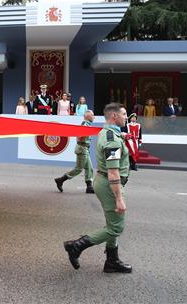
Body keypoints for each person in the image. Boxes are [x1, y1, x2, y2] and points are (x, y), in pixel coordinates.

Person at [63, 102, 132, 274]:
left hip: (104, 182)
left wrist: (122, 137)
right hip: (110, 185)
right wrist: (119, 198)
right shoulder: (111, 140)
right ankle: (76, 246)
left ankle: (112, 260)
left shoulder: (109, 133)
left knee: (112, 223)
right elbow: (114, 172)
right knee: (116, 227)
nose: (126, 117)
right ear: (114, 116)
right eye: (124, 114)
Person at [54, 110, 95, 193]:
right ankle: (61, 180)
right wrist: (84, 135)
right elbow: (80, 136)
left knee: (89, 168)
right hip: (82, 148)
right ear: (88, 116)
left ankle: (89, 187)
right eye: (92, 115)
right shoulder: (85, 124)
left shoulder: (87, 124)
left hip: (85, 148)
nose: (94, 117)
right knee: (78, 169)